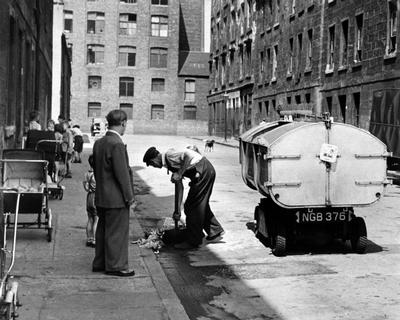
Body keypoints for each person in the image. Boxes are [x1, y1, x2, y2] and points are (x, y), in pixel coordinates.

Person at [143, 147, 225, 249]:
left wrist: (180, 173)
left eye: (152, 164)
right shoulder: (169, 164)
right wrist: (177, 211)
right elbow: (179, 186)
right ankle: (214, 230)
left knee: (191, 207)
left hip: (203, 172)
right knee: (199, 204)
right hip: (204, 172)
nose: (154, 166)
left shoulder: (169, 155)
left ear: (154, 159)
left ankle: (193, 241)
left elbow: (188, 154)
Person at [92, 110, 135, 277]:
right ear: (123, 123)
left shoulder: (99, 142)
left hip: (102, 195)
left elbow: (96, 168)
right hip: (116, 198)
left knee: (103, 230)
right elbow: (122, 174)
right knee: (117, 233)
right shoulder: (116, 144)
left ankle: (100, 263)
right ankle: (116, 266)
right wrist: (129, 197)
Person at [83, 155, 98, 248]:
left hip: (89, 197)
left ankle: (89, 239)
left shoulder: (87, 174)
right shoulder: (98, 174)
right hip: (96, 197)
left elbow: (85, 187)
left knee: (90, 219)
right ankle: (95, 240)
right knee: (97, 219)